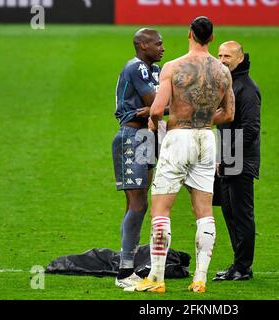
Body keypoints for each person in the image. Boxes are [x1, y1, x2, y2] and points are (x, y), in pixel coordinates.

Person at [126, 16, 235, 293]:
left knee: (161, 210)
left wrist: (157, 120)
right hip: (206, 139)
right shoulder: (223, 72)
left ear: (189, 34)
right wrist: (206, 118)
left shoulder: (174, 67)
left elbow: (156, 108)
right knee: (204, 212)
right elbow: (230, 113)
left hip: (178, 138)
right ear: (211, 38)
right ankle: (200, 279)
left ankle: (157, 278)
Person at [112, 28, 165, 288]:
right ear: (143, 46)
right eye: (158, 44)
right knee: (137, 203)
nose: (163, 48)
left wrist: (160, 107)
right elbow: (157, 104)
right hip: (132, 136)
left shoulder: (156, 70)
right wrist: (161, 107)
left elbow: (159, 106)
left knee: (140, 203)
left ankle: (127, 264)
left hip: (147, 136)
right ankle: (124, 274)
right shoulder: (137, 67)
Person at [213, 41, 261, 281]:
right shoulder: (228, 84)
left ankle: (243, 267)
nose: (222, 59)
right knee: (230, 212)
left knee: (241, 214)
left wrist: (228, 156)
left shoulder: (247, 88)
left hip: (239, 161)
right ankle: (239, 264)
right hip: (227, 158)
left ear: (240, 59)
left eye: (228, 56)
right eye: (220, 55)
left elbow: (250, 129)